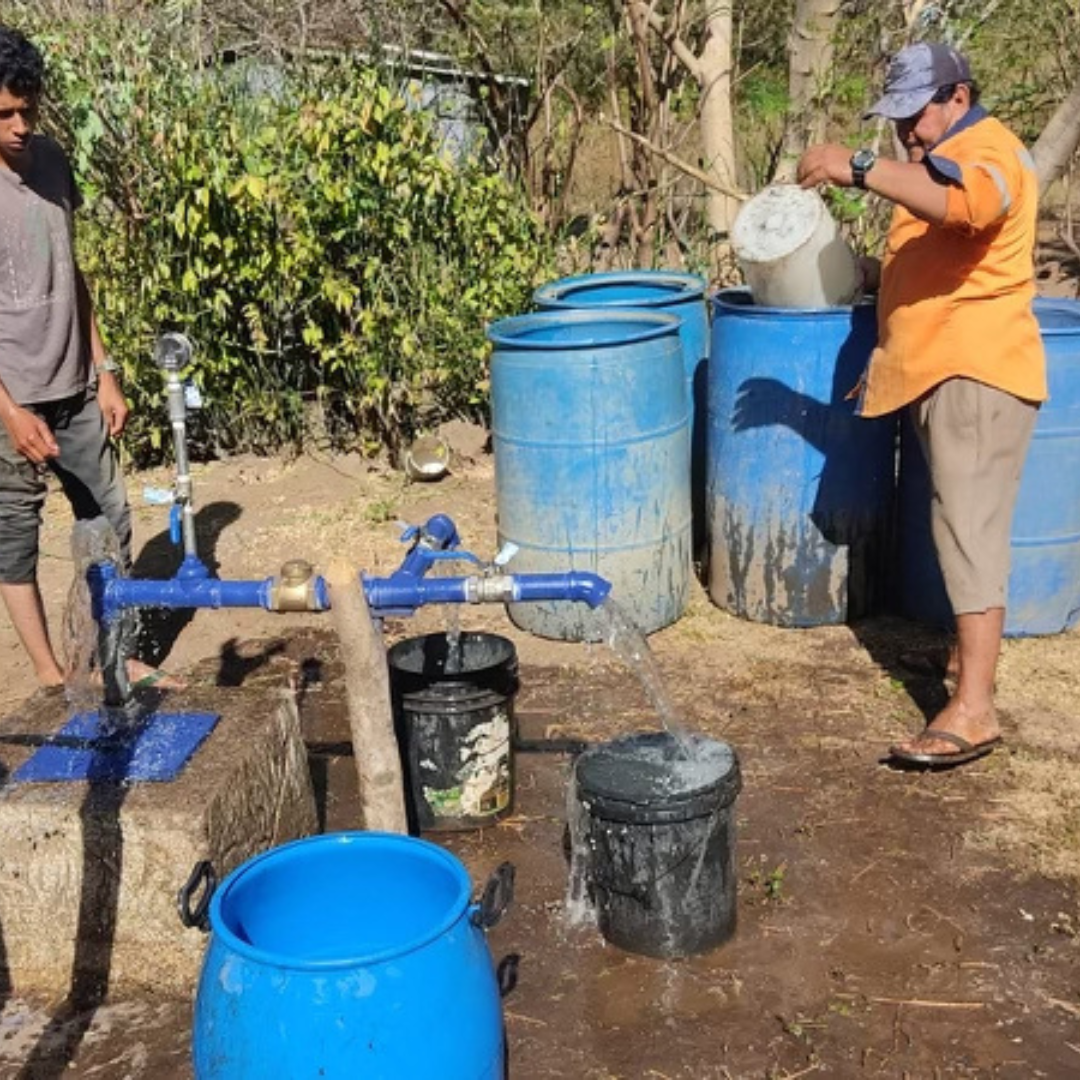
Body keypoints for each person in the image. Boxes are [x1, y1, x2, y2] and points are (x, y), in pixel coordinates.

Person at [797, 41, 1046, 768]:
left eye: (916, 114)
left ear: (958, 99)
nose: (907, 131)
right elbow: (938, 248)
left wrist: (861, 166)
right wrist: (864, 270)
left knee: (969, 532)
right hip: (946, 370)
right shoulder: (938, 163)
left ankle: (973, 709)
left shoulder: (989, 151)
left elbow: (971, 205)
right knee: (958, 529)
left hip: (978, 371)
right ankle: (967, 678)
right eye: (896, 119)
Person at [0, 25, 178, 695]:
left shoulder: (52, 163)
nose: (20, 127)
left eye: (28, 110)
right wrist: (12, 414)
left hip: (75, 384)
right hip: (9, 397)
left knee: (110, 517)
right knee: (15, 540)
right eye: (4, 114)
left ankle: (111, 652)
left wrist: (104, 371)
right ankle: (51, 673)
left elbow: (73, 273)